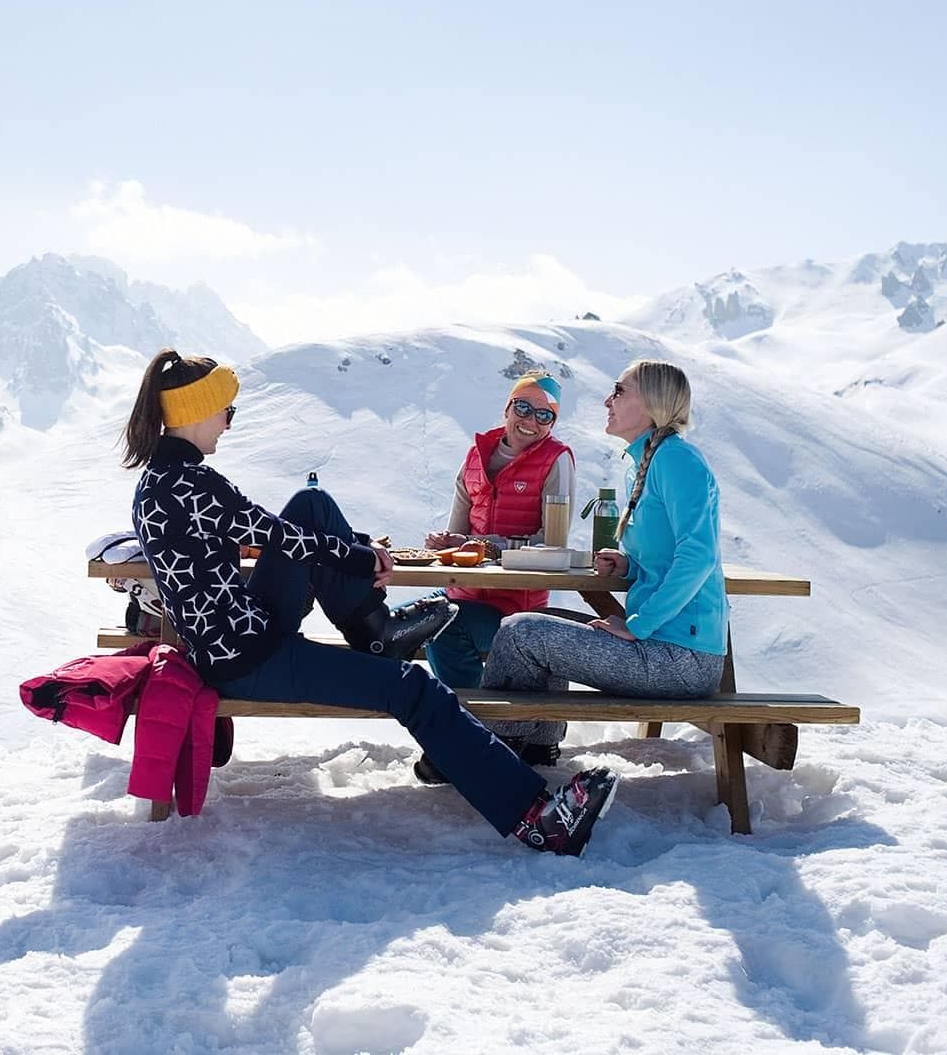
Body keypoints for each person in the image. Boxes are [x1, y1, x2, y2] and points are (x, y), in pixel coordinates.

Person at [122, 348, 619, 855]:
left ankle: (377, 635)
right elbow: (275, 536)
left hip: (241, 636)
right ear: (197, 412)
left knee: (310, 506)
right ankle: (537, 818)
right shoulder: (193, 485)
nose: (229, 424)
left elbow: (272, 531)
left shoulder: (161, 482)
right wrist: (359, 558)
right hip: (249, 655)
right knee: (413, 689)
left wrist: (355, 548)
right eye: (227, 411)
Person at [481, 359, 728, 704]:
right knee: (537, 622)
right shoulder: (647, 462)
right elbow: (667, 557)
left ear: (651, 403)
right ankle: (537, 747)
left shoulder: (677, 460)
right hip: (659, 642)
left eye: (619, 391)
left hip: (680, 657)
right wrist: (630, 566)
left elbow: (699, 557)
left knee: (520, 632)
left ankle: (484, 752)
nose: (607, 401)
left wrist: (637, 625)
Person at [414, 372, 575, 782]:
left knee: (437, 623)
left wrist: (490, 547)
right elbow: (459, 536)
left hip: (514, 610)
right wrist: (447, 541)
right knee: (426, 619)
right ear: (507, 408)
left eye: (544, 415)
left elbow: (551, 543)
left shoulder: (557, 460)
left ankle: (463, 736)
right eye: (523, 407)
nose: (531, 421)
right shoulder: (475, 456)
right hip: (465, 596)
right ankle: (472, 731)